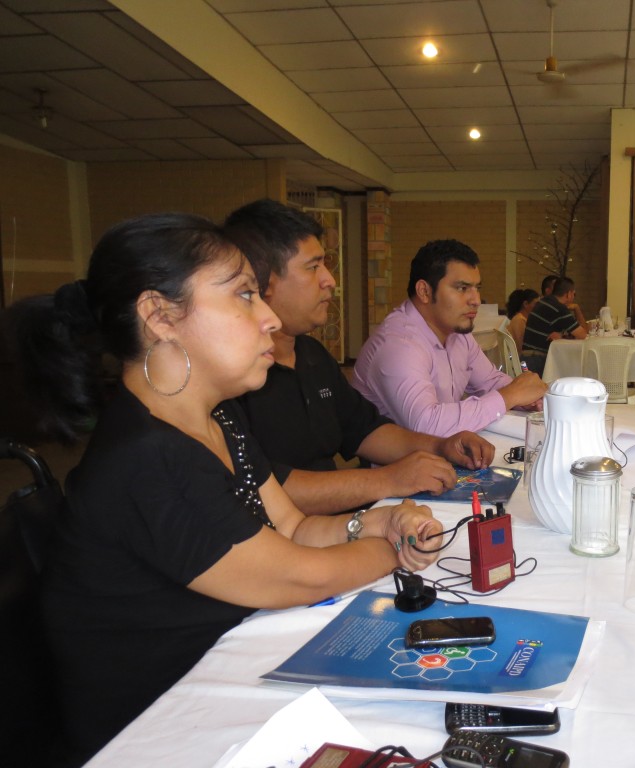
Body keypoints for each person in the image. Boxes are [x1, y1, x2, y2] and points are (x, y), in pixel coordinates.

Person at [6, 214, 442, 765]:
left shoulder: (217, 420)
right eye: (243, 296)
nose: (266, 318)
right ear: (159, 316)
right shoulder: (146, 456)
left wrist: (375, 522)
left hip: (220, 678)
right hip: (158, 731)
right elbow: (298, 573)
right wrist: (393, 550)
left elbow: (296, 528)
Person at [224, 200, 494, 515]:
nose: (330, 280)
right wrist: (386, 480)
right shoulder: (232, 379)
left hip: (336, 521)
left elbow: (364, 429)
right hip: (286, 539)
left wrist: (439, 446)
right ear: (261, 282)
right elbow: (262, 487)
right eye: (313, 267)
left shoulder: (311, 355)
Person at [353, 239, 546, 436]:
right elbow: (427, 424)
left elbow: (488, 381)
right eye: (462, 288)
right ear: (425, 291)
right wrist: (510, 396)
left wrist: (527, 397)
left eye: (477, 288)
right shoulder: (398, 344)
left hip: (439, 452)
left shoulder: (457, 334)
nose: (476, 300)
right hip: (395, 463)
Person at [521, 276, 588, 372]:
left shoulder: (544, 302)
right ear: (568, 294)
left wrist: (562, 335)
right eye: (574, 294)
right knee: (570, 369)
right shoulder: (559, 309)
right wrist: (577, 308)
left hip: (526, 359)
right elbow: (583, 334)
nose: (574, 296)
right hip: (537, 360)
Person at [506, 287, 539, 360]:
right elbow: (522, 346)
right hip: (519, 359)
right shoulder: (519, 320)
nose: (538, 307)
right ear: (526, 304)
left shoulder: (524, 319)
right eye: (536, 303)